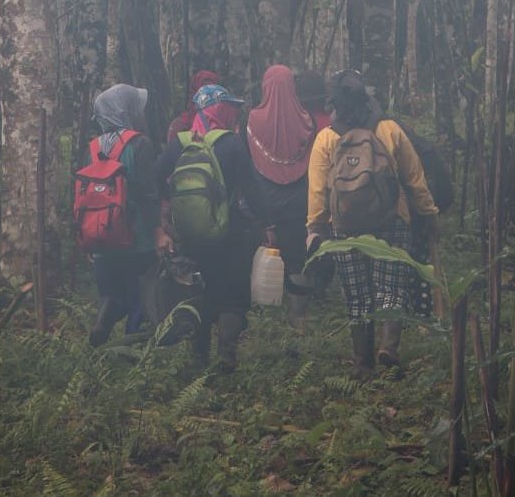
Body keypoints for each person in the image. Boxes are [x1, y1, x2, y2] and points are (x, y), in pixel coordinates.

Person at [305, 70, 440, 379]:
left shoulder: (326, 138)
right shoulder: (389, 129)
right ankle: (389, 347)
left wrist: (316, 227)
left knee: (357, 293)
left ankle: (362, 363)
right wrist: (428, 212)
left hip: (344, 227)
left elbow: (317, 190)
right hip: (393, 219)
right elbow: (414, 177)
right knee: (392, 285)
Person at [156, 84, 262, 372]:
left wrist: (169, 208)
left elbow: (156, 176)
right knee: (232, 297)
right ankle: (226, 357)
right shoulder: (231, 143)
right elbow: (250, 189)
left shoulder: (180, 141)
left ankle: (197, 358)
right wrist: (264, 223)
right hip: (230, 233)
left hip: (190, 234)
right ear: (221, 109)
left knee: (197, 293)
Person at [86, 84, 161, 346]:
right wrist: (158, 231)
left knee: (111, 293)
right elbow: (148, 194)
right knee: (140, 294)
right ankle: (133, 345)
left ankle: (103, 321)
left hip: (100, 235)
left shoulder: (93, 146)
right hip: (135, 235)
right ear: (125, 109)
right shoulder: (140, 144)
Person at [246, 65, 317, 327]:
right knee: (298, 259)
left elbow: (248, 166)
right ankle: (298, 316)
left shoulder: (252, 120)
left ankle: (265, 316)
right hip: (300, 203)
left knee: (267, 258)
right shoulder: (308, 121)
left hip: (265, 205)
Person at [166, 70, 221, 142]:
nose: (207, 96)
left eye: (211, 91)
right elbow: (172, 150)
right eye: (203, 90)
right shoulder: (179, 124)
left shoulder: (225, 122)